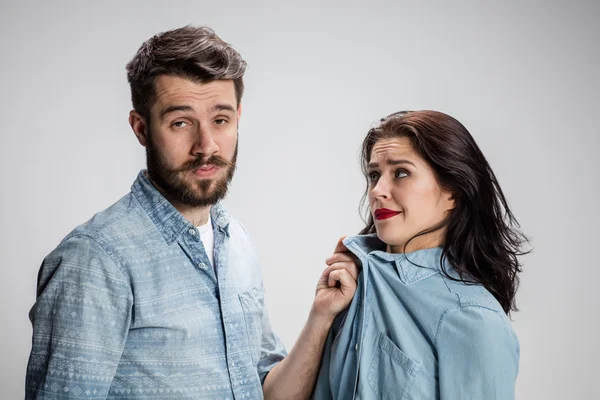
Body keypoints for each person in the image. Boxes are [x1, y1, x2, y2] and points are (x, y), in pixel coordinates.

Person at [25, 25, 358, 400]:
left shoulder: (237, 241)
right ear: (141, 129)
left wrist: (321, 317)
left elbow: (267, 392)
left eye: (220, 120)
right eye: (181, 122)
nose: (206, 146)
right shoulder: (94, 261)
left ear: (238, 118)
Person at [313, 110, 528, 399]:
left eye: (401, 173)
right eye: (374, 175)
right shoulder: (351, 283)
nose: (378, 190)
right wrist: (321, 315)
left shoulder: (473, 319)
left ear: (452, 191)